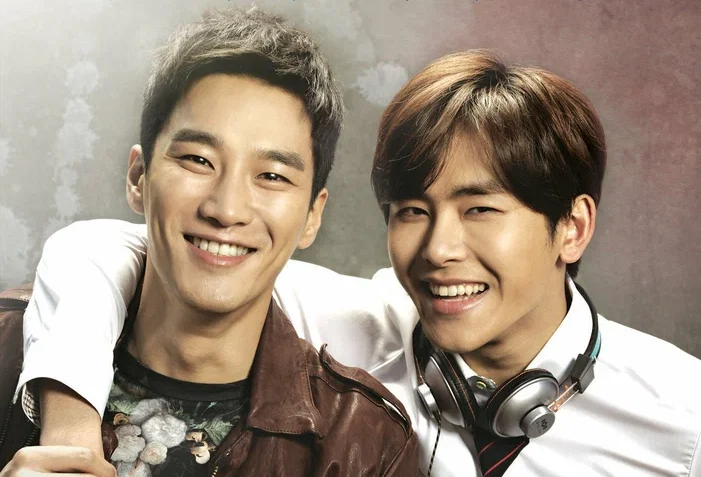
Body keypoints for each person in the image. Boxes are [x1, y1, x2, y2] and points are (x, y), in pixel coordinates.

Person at [8, 50, 701, 476]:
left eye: (480, 209)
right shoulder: (367, 325)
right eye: (412, 210)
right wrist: (70, 434)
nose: (438, 250)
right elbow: (110, 248)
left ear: (571, 228)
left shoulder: (682, 415)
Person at [0, 6, 419, 476]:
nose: (226, 209)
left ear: (311, 216)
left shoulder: (364, 442)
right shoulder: (7, 346)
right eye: (198, 160)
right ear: (138, 177)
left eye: (272, 176)